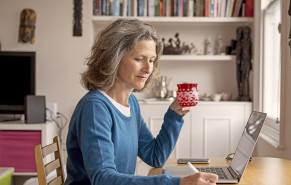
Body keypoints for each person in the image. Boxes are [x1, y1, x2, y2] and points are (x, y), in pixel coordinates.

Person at [64, 18, 218, 185]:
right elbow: (103, 178)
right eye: (139, 59)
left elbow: (155, 156)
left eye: (151, 60)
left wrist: (174, 115)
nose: (148, 68)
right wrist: (177, 183)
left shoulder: (130, 102)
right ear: (114, 59)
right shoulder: (95, 108)